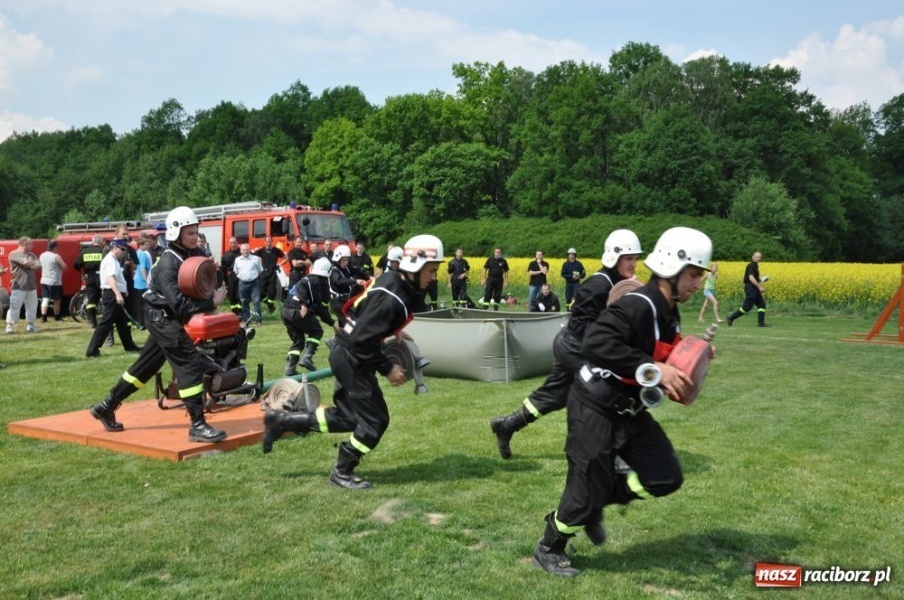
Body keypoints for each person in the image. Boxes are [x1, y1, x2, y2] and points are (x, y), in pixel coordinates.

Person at [531, 227, 713, 577]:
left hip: (630, 411)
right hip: (594, 407)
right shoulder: (637, 304)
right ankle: (549, 546)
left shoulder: (668, 310)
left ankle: (596, 496)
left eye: (699, 275)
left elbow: (659, 351)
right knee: (583, 497)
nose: (696, 283)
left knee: (665, 476)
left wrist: (693, 356)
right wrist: (652, 369)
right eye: (693, 274)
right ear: (671, 269)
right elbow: (595, 342)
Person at [262, 234, 445, 490]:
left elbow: (367, 312)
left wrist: (390, 330)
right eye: (432, 270)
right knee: (375, 421)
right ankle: (341, 471)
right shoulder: (392, 296)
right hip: (352, 356)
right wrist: (388, 367)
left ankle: (282, 421)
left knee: (348, 418)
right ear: (415, 266)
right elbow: (362, 340)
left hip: (345, 351)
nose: (434, 277)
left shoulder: (393, 279)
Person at [490, 229, 643, 460]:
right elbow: (583, 328)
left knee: (553, 396)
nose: (634, 264)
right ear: (615, 257)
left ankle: (506, 426)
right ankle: (591, 445)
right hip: (575, 348)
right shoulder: (598, 286)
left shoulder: (620, 284)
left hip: (576, 348)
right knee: (606, 391)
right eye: (629, 259)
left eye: (635, 258)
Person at [88, 206, 230, 443]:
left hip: (165, 318)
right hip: (162, 319)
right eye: (190, 233)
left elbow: (201, 284)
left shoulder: (192, 254)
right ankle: (198, 425)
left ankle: (106, 406)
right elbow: (181, 306)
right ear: (175, 233)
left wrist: (212, 273)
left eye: (196, 232)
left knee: (144, 368)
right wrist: (211, 302)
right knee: (190, 365)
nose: (195, 237)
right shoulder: (168, 263)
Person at [282, 257, 338, 375]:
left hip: (286, 311)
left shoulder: (314, 281)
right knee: (316, 331)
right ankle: (307, 358)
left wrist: (331, 322)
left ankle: (290, 368)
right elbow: (302, 286)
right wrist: (304, 303)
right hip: (298, 311)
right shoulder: (313, 280)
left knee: (298, 340)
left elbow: (319, 307)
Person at [85, 239, 141, 356]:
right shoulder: (110, 260)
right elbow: (111, 278)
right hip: (112, 295)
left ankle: (130, 346)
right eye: (122, 249)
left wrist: (123, 291)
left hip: (114, 293)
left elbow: (117, 279)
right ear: (114, 247)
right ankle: (92, 349)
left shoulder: (113, 260)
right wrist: (118, 293)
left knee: (122, 323)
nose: (123, 252)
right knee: (106, 323)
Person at [5, 237, 41, 334]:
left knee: (32, 307)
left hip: (31, 285)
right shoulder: (14, 254)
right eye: (31, 244)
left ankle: (31, 325)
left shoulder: (32, 255)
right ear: (25, 244)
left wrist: (30, 264)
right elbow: (25, 263)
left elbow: (39, 265)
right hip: (19, 285)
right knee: (15, 306)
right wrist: (32, 264)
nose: (32, 246)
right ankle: (10, 326)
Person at [329, 245, 368, 328]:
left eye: (347, 260)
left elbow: (358, 269)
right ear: (338, 260)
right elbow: (339, 281)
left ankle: (340, 337)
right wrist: (355, 281)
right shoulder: (333, 270)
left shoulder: (347, 268)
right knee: (349, 324)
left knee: (351, 321)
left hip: (346, 300)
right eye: (344, 260)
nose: (346, 262)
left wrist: (369, 276)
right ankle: (341, 339)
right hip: (337, 302)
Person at [727, 251, 768, 327]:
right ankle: (731, 316)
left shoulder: (755, 266)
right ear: (752, 257)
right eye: (757, 257)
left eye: (759, 257)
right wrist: (759, 287)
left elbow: (754, 278)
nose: (758, 258)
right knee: (747, 307)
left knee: (761, 304)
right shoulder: (751, 265)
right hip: (750, 288)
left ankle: (761, 323)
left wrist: (762, 279)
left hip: (754, 288)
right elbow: (751, 278)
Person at [73, 234, 105, 328]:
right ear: (101, 242)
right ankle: (106, 320)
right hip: (101, 277)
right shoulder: (103, 251)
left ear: (92, 242)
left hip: (89, 277)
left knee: (91, 300)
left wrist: (82, 272)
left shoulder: (85, 252)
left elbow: (75, 264)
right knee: (105, 298)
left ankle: (92, 321)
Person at [253, 236, 286, 314]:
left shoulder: (276, 251)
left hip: (272, 273)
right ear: (265, 242)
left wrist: (280, 264)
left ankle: (271, 306)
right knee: (261, 292)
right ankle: (267, 302)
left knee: (272, 292)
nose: (268, 243)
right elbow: (253, 257)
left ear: (272, 242)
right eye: (267, 241)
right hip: (263, 273)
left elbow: (286, 258)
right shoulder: (261, 251)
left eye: (270, 241)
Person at [234, 243, 264, 325]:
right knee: (244, 302)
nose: (245, 251)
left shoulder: (256, 259)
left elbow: (260, 270)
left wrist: (253, 276)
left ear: (249, 250)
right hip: (242, 283)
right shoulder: (237, 260)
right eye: (243, 250)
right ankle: (247, 320)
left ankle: (258, 320)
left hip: (254, 283)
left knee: (256, 301)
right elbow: (236, 271)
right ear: (241, 251)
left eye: (247, 249)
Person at [39, 240, 67, 322]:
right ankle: (56, 316)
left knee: (45, 298)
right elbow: (64, 266)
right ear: (54, 248)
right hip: (54, 281)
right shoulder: (56, 256)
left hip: (44, 280)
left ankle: (44, 317)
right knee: (57, 300)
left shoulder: (42, 255)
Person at [132, 237, 153, 328]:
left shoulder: (137, 253)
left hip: (136, 281)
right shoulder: (144, 255)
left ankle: (139, 322)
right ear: (141, 245)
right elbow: (143, 269)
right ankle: (143, 323)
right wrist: (147, 281)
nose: (148, 247)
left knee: (138, 304)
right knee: (144, 304)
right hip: (142, 283)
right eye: (146, 245)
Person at [220, 236, 242, 314]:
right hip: (230, 277)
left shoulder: (242, 252)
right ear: (229, 243)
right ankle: (234, 313)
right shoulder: (226, 255)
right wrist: (224, 281)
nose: (233, 244)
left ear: (237, 243)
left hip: (240, 276)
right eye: (231, 243)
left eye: (234, 242)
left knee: (239, 295)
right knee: (232, 296)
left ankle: (241, 313)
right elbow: (223, 269)